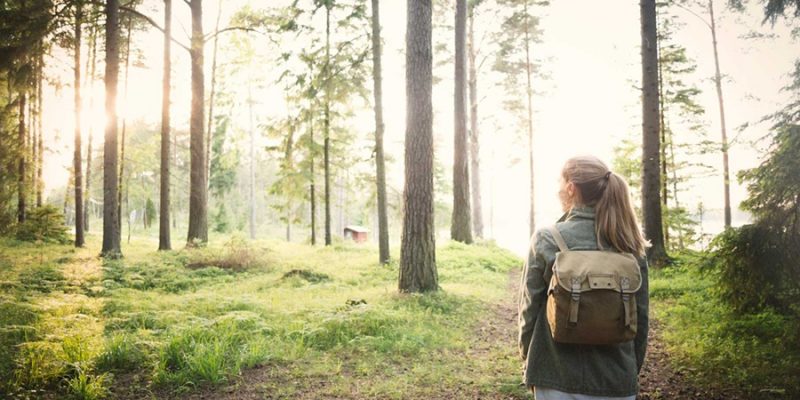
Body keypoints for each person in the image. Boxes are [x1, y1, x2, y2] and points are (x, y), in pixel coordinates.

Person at [518, 155, 650, 400]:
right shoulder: (629, 242)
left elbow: (530, 311)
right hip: (616, 380)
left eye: (559, 182)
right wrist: (630, 370)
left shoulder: (547, 239)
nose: (557, 189)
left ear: (571, 188)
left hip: (555, 377)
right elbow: (641, 318)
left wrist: (530, 361)